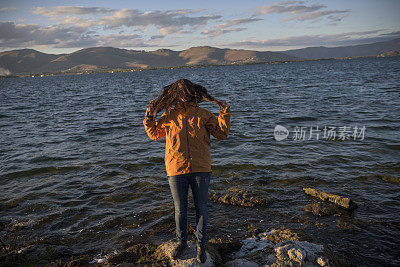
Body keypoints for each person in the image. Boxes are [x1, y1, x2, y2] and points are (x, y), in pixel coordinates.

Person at [143, 78, 231, 263]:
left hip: (201, 168)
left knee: (201, 208)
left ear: (192, 93)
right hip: (175, 167)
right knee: (180, 210)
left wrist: (224, 112)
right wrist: (149, 117)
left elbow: (222, 134)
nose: (183, 95)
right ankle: (181, 243)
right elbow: (154, 135)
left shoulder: (204, 114)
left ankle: (201, 245)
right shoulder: (168, 116)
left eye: (186, 91)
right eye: (179, 92)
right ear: (174, 95)